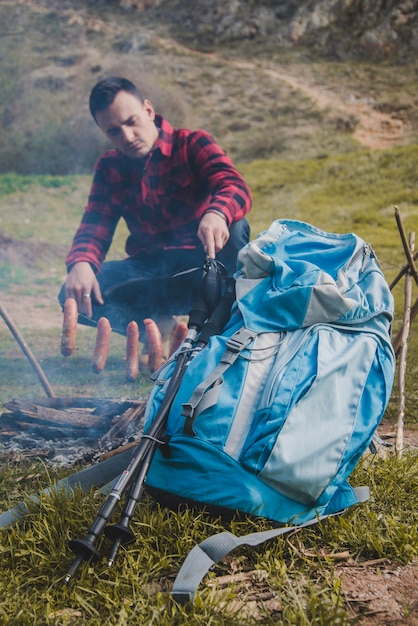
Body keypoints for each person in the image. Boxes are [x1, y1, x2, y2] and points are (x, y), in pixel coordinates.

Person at [59, 76, 252, 338]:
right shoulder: (109, 167)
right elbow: (96, 224)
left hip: (202, 266)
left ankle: (224, 328)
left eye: (131, 122)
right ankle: (164, 331)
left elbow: (234, 185)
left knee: (236, 226)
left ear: (148, 111)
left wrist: (216, 213)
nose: (127, 137)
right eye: (114, 131)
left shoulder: (192, 143)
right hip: (148, 273)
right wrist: (82, 262)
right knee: (73, 291)